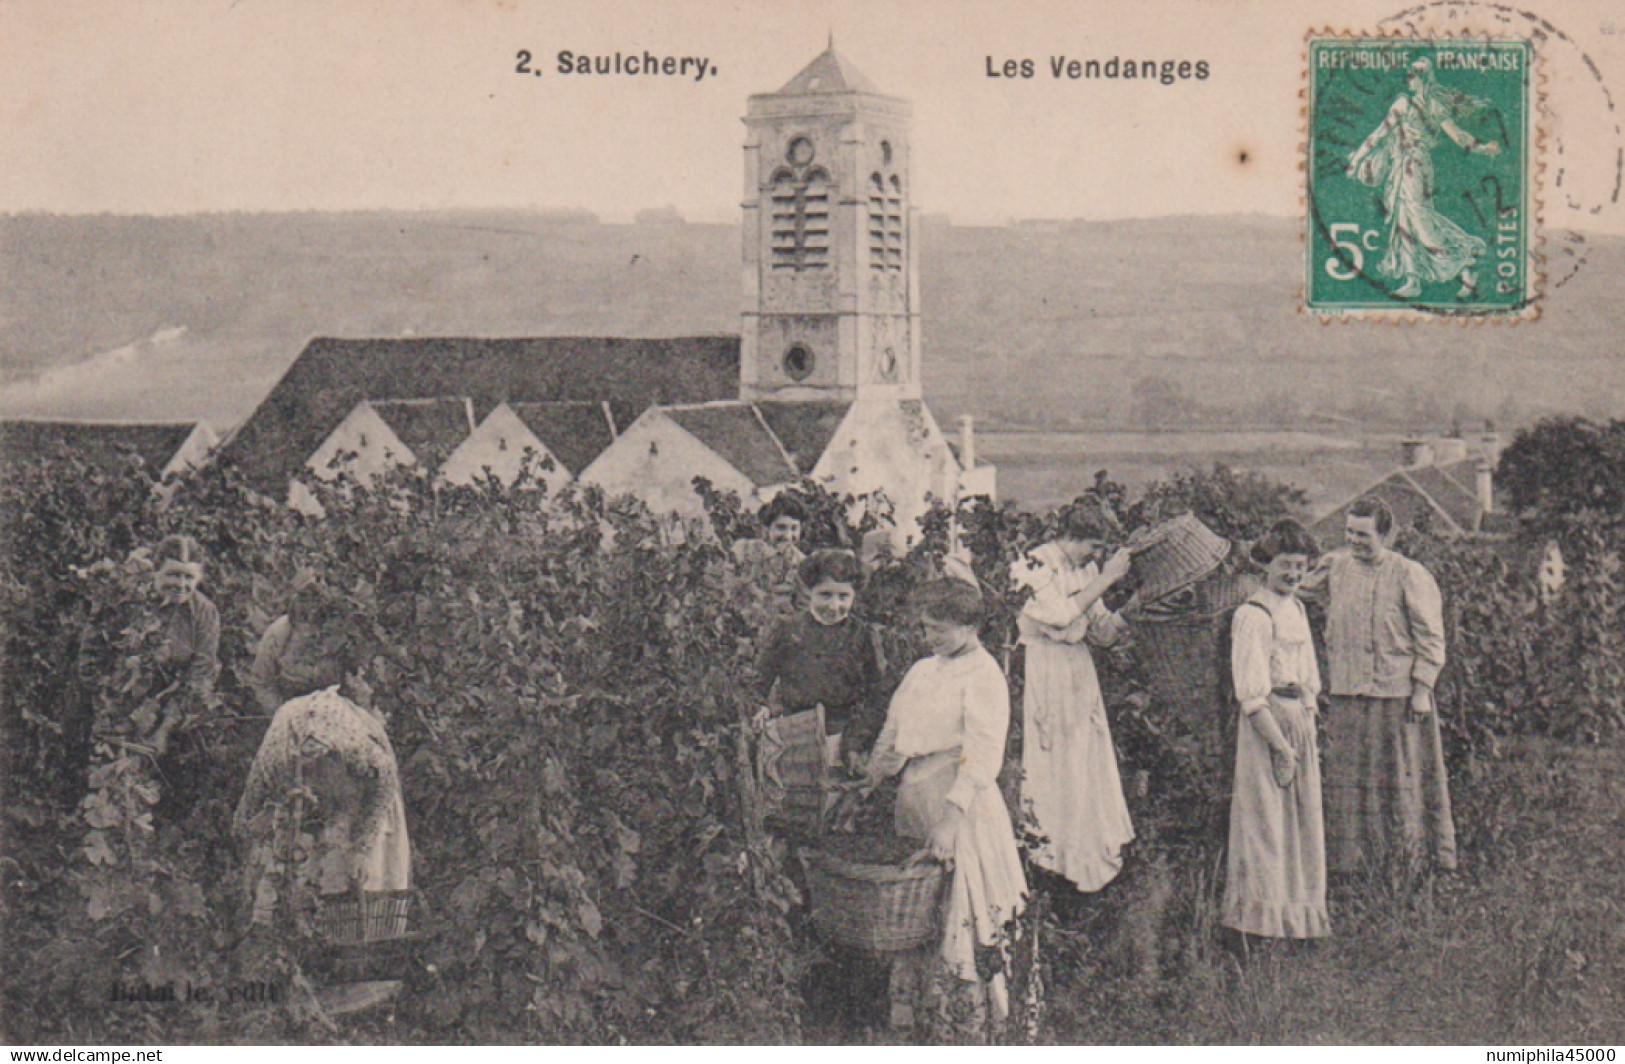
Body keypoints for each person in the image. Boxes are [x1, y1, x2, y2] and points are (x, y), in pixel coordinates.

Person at [865, 578, 1027, 1028]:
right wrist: (870, 778)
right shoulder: (922, 669)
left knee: (959, 906)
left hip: (959, 802)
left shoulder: (984, 674)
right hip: (914, 793)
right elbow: (895, 729)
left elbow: (982, 754)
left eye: (939, 628)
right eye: (925, 627)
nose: (930, 637)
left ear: (970, 624)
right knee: (913, 906)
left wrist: (951, 820)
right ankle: (911, 1016)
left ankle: (963, 1022)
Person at [234, 592, 410, 924]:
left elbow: (384, 778)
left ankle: (359, 924)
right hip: (292, 730)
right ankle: (293, 924)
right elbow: (250, 801)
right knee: (288, 848)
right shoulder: (277, 756)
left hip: (349, 752)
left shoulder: (356, 751)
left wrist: (360, 846)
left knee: (362, 856)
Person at [1310, 497, 1456, 873]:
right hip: (1347, 691)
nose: (1355, 541)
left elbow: (1431, 638)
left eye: (1364, 534)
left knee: (1398, 776)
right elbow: (1295, 586)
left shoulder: (1409, 574)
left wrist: (1422, 689)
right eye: (1349, 532)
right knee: (1350, 778)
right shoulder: (1336, 567)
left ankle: (1407, 860)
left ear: (1386, 535)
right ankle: (1351, 865)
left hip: (1397, 695)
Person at [1010, 498, 1135, 894]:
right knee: (1054, 763)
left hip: (1078, 670)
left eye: (1099, 550)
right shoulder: (1033, 564)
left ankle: (1085, 863)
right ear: (1070, 536)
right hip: (1045, 671)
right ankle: (1050, 862)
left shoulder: (1089, 569)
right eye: (1092, 546)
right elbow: (1061, 616)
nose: (1095, 556)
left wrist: (1130, 611)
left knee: (1083, 761)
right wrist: (1107, 579)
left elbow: (1099, 632)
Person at [1222, 519, 1330, 943]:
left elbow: (1309, 675)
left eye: (1300, 567)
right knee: (1266, 825)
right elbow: (1250, 694)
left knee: (1301, 825)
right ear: (1267, 563)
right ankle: (1258, 930)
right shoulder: (1253, 614)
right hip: (1266, 727)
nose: (1292, 574)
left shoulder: (1297, 609)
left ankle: (1295, 923)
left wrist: (1307, 719)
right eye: (1285, 565)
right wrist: (1281, 747)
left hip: (1298, 720)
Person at [1346, 57, 1502, 300]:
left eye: (1412, 76)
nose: (1408, 80)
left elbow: (1378, 135)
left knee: (1418, 220)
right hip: (1411, 166)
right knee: (1405, 219)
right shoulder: (1430, 105)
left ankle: (1464, 263)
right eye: (1408, 75)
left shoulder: (1407, 104)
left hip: (1411, 167)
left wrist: (1356, 161)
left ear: (1423, 79)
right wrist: (1482, 148)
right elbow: (1458, 136)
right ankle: (1413, 280)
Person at [755, 549, 886, 769]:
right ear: (809, 593)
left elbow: (877, 695)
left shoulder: (863, 636)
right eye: (825, 595)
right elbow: (758, 681)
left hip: (843, 737)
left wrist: (855, 742)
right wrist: (761, 707)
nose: (834, 606)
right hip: (793, 732)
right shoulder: (787, 630)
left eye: (843, 596)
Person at [250, 576, 374, 713]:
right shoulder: (278, 635)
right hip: (286, 709)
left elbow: (359, 691)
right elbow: (262, 682)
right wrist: (284, 713)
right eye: (301, 626)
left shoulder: (340, 640)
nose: (312, 637)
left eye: (318, 632)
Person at [730, 492, 809, 624]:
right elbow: (727, 585)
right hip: (739, 621)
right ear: (766, 528)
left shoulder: (802, 562)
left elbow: (803, 607)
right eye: (781, 528)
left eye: (794, 528)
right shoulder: (744, 549)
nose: (788, 536)